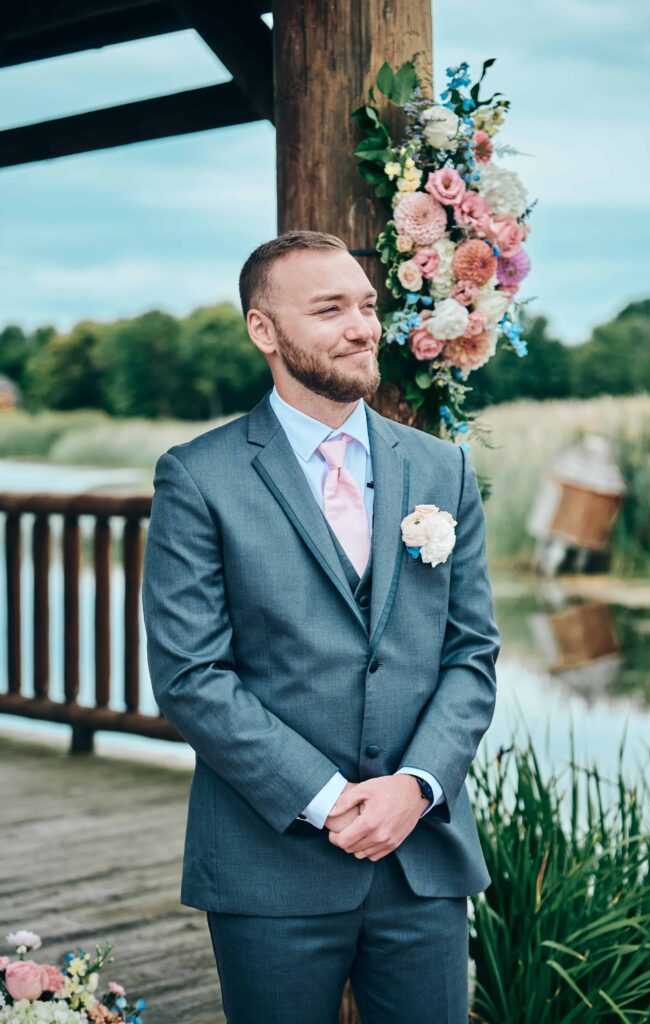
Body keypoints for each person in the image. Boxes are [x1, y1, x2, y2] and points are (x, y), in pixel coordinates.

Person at [142, 230, 500, 1024]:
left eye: (368, 306)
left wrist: (416, 787)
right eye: (330, 308)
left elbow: (472, 654)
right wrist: (331, 800)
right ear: (264, 331)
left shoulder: (443, 471)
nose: (362, 326)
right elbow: (191, 676)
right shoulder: (199, 477)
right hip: (270, 867)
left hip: (422, 860)